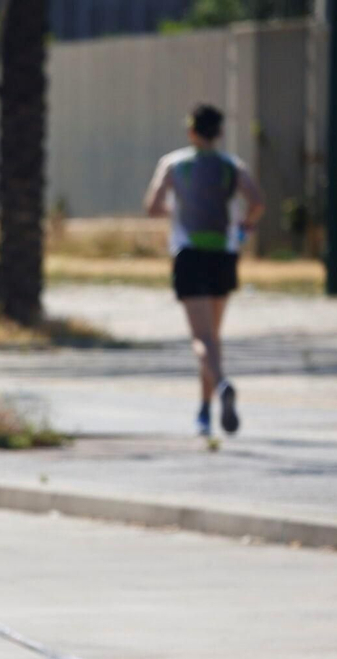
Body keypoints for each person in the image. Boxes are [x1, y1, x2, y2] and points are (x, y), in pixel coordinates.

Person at [144, 103, 265, 437]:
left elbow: (152, 206)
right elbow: (257, 202)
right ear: (220, 132)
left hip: (189, 254)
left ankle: (221, 384)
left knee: (201, 339)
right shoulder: (232, 165)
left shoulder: (173, 163)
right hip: (223, 255)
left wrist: (176, 210)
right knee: (213, 337)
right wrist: (245, 226)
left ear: (191, 131)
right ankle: (204, 409)